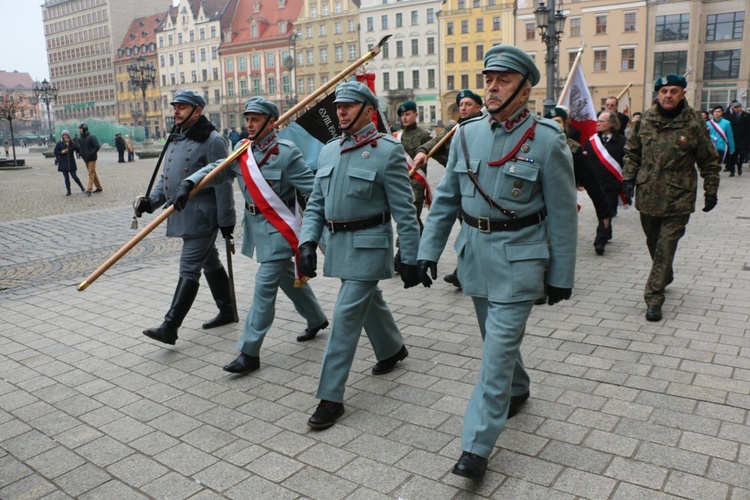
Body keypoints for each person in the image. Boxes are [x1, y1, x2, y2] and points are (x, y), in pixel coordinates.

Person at [417, 45, 578, 480]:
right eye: (489, 77)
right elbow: (447, 200)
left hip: (521, 260)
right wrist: (427, 252)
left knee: (493, 356)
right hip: (475, 257)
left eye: (503, 80)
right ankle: (520, 387)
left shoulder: (547, 140)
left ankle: (476, 447)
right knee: (497, 341)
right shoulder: (467, 134)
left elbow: (563, 215)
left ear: (524, 90)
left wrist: (562, 274)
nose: (491, 86)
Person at [297, 81, 427, 430]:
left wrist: (411, 257)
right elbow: (316, 204)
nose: (341, 111)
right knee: (368, 303)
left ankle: (330, 396)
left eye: (349, 106)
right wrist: (307, 242)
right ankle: (391, 349)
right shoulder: (328, 151)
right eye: (339, 106)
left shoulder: (386, 150)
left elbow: (405, 210)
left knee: (345, 318)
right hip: (338, 246)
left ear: (368, 110)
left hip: (370, 246)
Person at [173, 97, 329, 374]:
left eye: (256, 119)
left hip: (280, 230)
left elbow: (313, 190)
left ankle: (249, 351)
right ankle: (316, 318)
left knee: (262, 291)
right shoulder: (242, 150)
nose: (249, 124)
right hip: (257, 229)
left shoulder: (286, 153)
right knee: (284, 278)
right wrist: (190, 182)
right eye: (247, 119)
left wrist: (317, 229)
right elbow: (218, 169)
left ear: (271, 122)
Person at [135, 90, 237, 345]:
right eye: (175, 106)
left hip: (203, 217)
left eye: (182, 107)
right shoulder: (176, 138)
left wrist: (226, 221)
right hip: (183, 214)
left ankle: (170, 326)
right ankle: (227, 310)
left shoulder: (212, 140)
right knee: (210, 262)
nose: (176, 111)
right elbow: (167, 177)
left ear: (197, 110)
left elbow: (223, 183)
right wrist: (151, 202)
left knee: (189, 267)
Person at [622, 74, 720, 322]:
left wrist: (711, 190)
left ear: (682, 94)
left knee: (666, 246)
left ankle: (654, 298)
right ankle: (665, 273)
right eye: (664, 91)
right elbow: (632, 152)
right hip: (648, 195)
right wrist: (627, 179)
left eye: (673, 91)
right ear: (657, 94)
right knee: (654, 243)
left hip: (679, 197)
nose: (668, 95)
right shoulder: (645, 119)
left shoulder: (694, 122)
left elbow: (708, 159)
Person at [413, 89, 485, 289]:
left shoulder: (486, 127)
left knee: (472, 232)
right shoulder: (455, 127)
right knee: (466, 232)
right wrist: (422, 151)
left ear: (479, 107)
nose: (463, 108)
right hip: (458, 187)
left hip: (478, 189)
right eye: (461, 104)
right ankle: (463, 272)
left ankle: (466, 272)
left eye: (468, 104)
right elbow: (435, 142)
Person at [544, 106, 612, 234]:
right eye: (551, 122)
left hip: (564, 205)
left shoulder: (574, 149)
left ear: (565, 124)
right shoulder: (537, 147)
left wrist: (603, 212)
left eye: (558, 121)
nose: (554, 125)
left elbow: (592, 181)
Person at [584, 110, 627, 255]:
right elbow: (585, 162)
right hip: (596, 184)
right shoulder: (591, 141)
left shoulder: (622, 141)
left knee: (607, 210)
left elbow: (627, 163)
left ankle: (600, 241)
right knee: (603, 210)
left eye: (602, 121)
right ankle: (606, 232)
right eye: (598, 121)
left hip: (612, 184)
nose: (598, 123)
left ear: (612, 123)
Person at [395, 100, 431, 233]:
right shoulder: (397, 136)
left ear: (416, 114)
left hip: (416, 185)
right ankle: (420, 242)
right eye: (402, 115)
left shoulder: (424, 135)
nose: (404, 117)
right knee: (407, 218)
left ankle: (403, 251)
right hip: (401, 184)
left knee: (411, 218)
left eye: (408, 114)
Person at [54, 130, 85, 196]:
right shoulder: (59, 143)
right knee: (66, 178)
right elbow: (55, 151)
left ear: (68, 136)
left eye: (66, 135)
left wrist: (83, 153)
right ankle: (68, 191)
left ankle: (82, 187)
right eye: (63, 135)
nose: (65, 136)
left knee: (74, 176)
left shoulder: (72, 143)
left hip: (71, 162)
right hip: (63, 163)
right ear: (62, 136)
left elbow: (78, 149)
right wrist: (61, 152)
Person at [707, 106, 735, 175]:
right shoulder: (708, 123)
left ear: (722, 113)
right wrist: (712, 137)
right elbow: (705, 134)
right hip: (711, 146)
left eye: (718, 112)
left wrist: (732, 148)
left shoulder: (727, 123)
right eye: (715, 112)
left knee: (718, 163)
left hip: (721, 146)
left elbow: (730, 136)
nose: (716, 113)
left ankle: (715, 176)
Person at [725, 101, 750, 176]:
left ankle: (739, 166)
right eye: (734, 108)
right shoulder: (730, 117)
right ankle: (732, 171)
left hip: (743, 139)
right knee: (733, 155)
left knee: (742, 154)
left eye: (737, 107)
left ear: (740, 107)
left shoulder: (747, 116)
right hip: (733, 139)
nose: (735, 109)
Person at [77, 123, 102, 196]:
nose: (79, 131)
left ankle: (89, 189)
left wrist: (91, 153)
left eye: (80, 129)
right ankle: (99, 187)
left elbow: (97, 146)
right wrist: (81, 154)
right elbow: (80, 147)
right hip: (86, 158)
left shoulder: (92, 137)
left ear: (84, 129)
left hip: (92, 158)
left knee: (90, 173)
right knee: (93, 172)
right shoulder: (81, 138)